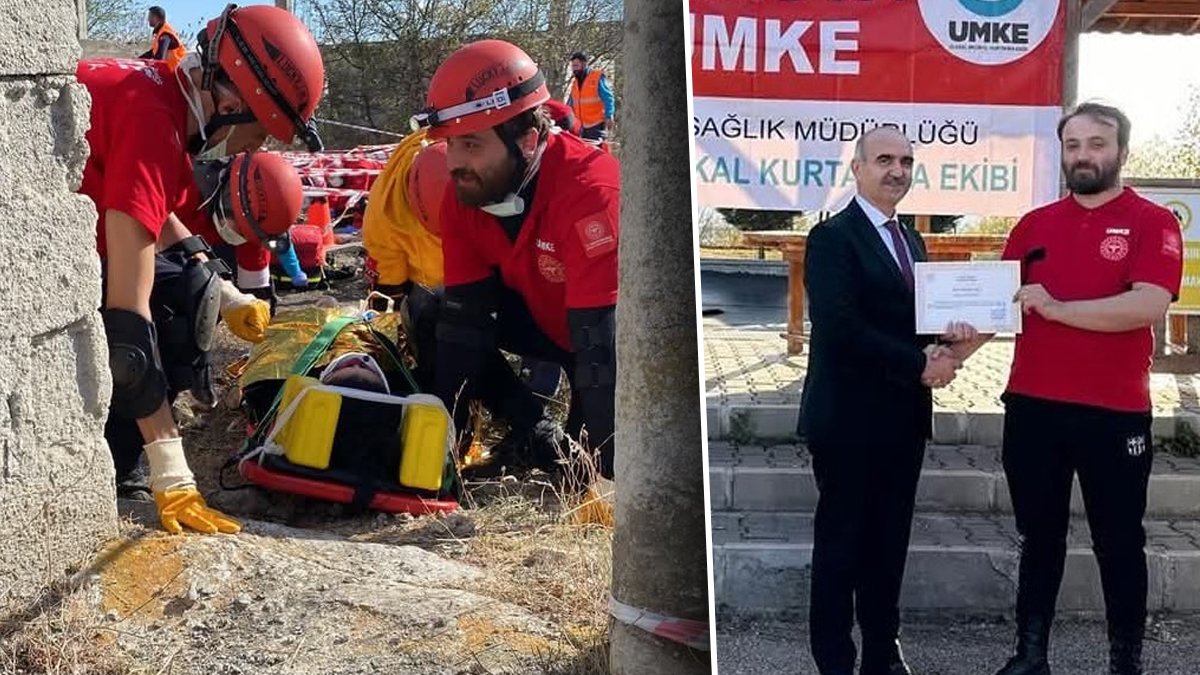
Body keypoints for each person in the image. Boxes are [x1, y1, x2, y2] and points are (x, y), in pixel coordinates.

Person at [77, 3, 325, 535]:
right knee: (165, 313)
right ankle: (121, 467)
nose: (257, 147)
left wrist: (225, 289)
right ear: (234, 99)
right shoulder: (153, 120)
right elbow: (128, 329)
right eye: (262, 131)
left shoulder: (155, 93)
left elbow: (149, 199)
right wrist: (174, 469)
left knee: (192, 285)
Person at [972, 102, 1182, 675]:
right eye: (1073, 145)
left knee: (1119, 543)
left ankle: (1125, 662)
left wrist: (1060, 310)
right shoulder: (1034, 225)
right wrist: (948, 353)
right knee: (1038, 538)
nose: (1084, 155)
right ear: (1061, 152)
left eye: (1097, 143)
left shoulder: (1153, 220)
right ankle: (1030, 654)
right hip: (1034, 407)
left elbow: (1147, 304)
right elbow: (998, 305)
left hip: (1114, 415)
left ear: (1121, 152)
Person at [408, 39, 620, 482]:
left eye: (471, 145)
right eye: (450, 146)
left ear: (527, 140)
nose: (456, 164)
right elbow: (463, 326)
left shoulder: (590, 191)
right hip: (545, 319)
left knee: (590, 469)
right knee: (431, 312)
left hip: (604, 335)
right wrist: (435, 455)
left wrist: (606, 478)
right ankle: (534, 433)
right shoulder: (463, 193)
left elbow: (600, 347)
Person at [799, 126, 968, 675]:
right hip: (848, 422)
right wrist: (920, 362)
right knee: (841, 549)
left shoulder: (911, 240)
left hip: (902, 419)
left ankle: (882, 652)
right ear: (857, 168)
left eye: (906, 161)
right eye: (884, 160)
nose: (897, 170)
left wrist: (946, 346)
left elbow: (909, 325)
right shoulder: (832, 238)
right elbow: (839, 327)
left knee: (889, 546)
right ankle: (834, 659)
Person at [566, 51, 615, 142]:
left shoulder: (596, 77)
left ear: (584, 64)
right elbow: (570, 104)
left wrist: (609, 115)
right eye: (573, 66)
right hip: (581, 127)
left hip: (596, 126)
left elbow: (608, 97)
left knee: (596, 152)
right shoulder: (575, 84)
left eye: (576, 66)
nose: (574, 69)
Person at [138, 6, 186, 70]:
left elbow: (160, 57)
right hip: (173, 70)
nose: (148, 19)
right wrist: (137, 59)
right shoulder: (160, 32)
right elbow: (152, 53)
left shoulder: (165, 34)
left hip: (177, 71)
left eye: (150, 17)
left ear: (156, 18)